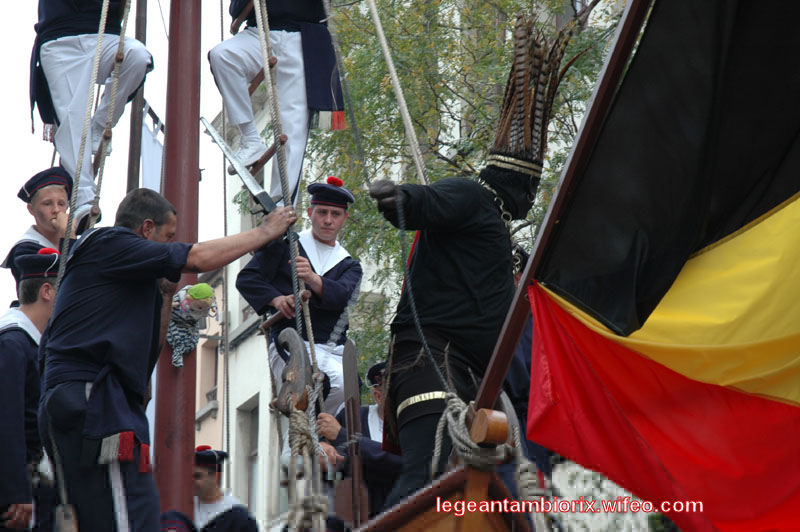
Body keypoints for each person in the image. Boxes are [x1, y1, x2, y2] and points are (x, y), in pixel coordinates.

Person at [38, 188, 296, 532]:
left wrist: (164, 294)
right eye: (168, 236)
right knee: (132, 515)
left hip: (85, 398)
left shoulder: (123, 273)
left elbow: (148, 355)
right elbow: (199, 258)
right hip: (94, 398)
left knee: (113, 516)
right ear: (146, 229)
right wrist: (265, 231)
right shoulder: (109, 242)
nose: (170, 244)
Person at [368, 159, 538, 508]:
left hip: (470, 380)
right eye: (532, 190)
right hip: (430, 362)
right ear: (519, 185)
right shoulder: (473, 194)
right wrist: (401, 199)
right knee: (425, 476)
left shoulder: (500, 232)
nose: (533, 200)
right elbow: (430, 201)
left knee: (476, 495)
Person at [237, 176, 362, 415]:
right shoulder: (286, 245)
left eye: (335, 214)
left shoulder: (349, 265)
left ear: (344, 218)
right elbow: (247, 279)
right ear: (310, 212)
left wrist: (313, 278)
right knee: (332, 384)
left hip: (333, 349)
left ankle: (317, 439)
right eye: (322, 212)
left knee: (350, 394)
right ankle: (312, 435)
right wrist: (276, 300)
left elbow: (343, 297)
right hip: (290, 342)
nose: (328, 220)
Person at [30, 0, 153, 230]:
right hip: (60, 41)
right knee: (72, 120)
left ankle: (101, 124)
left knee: (137, 57)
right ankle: (84, 198)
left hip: (103, 37)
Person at [208, 0, 344, 204]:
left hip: (303, 38)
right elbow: (235, 10)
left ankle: (282, 206)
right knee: (223, 56)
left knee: (293, 127)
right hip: (259, 33)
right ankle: (251, 139)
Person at [0, 250, 59, 531]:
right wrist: (17, 492)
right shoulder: (12, 343)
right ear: (47, 291)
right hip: (14, 497)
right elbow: (6, 422)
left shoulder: (33, 344)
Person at [317, 361, 402, 517]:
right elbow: (328, 454)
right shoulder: (353, 418)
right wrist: (323, 450)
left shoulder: (414, 423)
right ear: (378, 396)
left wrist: (342, 437)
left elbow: (400, 461)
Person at [2, 167, 72, 290]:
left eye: (61, 204)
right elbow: (70, 277)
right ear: (31, 209)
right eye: (47, 203)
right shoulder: (25, 249)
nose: (56, 210)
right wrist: (68, 235)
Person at [192, 446, 257, 531]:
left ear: (216, 476)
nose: (191, 481)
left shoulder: (239, 518)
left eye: (197, 476)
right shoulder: (184, 508)